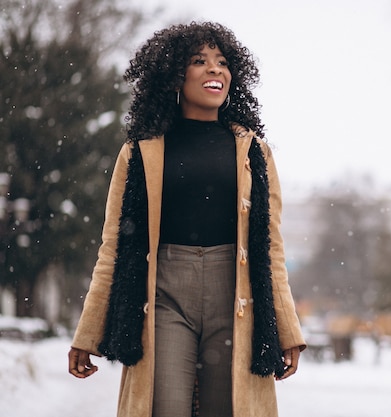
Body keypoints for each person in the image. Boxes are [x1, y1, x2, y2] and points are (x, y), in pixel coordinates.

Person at [68, 21, 306, 417]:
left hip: (234, 299)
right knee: (163, 407)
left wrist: (286, 330)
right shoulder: (139, 152)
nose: (216, 70)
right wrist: (88, 333)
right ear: (174, 75)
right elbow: (113, 247)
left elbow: (271, 249)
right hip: (164, 299)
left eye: (223, 62)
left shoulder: (254, 153)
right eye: (200, 61)